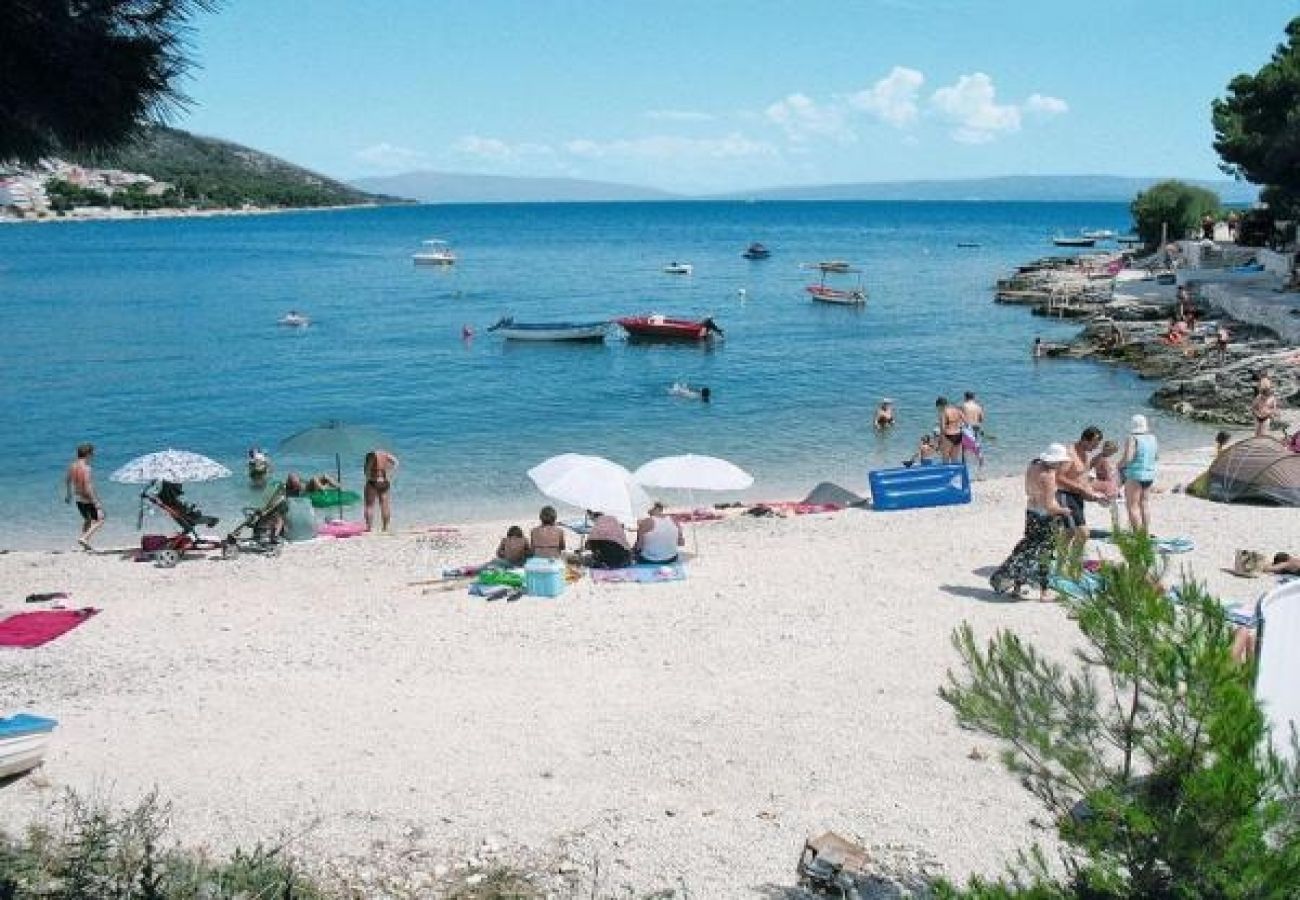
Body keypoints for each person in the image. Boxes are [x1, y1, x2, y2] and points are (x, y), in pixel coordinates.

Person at [988, 444, 1072, 601]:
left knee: (1027, 550)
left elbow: (1027, 490)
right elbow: (1050, 506)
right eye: (1060, 462)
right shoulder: (1048, 476)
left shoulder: (1033, 465)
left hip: (1031, 512)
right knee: (1044, 555)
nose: (1062, 465)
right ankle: (1044, 592)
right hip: (1045, 517)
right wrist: (1064, 511)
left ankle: (1017, 588)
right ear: (1055, 461)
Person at [1057, 426, 1104, 551]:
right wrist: (1080, 488)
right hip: (1065, 495)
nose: (1095, 448)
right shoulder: (1069, 453)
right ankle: (1073, 564)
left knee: (1069, 532)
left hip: (1078, 496)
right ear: (1084, 440)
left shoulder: (1086, 456)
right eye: (1094, 444)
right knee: (1083, 533)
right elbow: (1059, 477)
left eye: (1097, 445)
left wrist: (1094, 496)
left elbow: (1084, 480)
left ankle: (1063, 565)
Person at [1118, 414, 1158, 533]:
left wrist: (1118, 465)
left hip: (1135, 475)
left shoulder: (1132, 438)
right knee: (1144, 504)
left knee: (1132, 506)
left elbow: (1128, 458)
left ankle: (1138, 535)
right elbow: (1156, 456)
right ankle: (1145, 533)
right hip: (1149, 475)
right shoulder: (1153, 438)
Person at [64, 443, 104, 551]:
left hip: (78, 497)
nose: (93, 456)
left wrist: (68, 495)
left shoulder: (72, 466)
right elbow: (87, 485)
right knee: (100, 519)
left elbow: (67, 480)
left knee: (87, 520)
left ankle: (84, 543)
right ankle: (84, 538)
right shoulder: (86, 468)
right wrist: (96, 502)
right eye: (92, 453)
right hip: (86, 497)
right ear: (88, 454)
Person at [363, 448, 399, 532]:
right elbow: (396, 462)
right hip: (384, 481)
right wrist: (389, 472)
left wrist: (368, 477)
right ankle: (385, 528)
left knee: (369, 506)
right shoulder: (385, 454)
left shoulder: (371, 455)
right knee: (385, 506)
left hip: (373, 481)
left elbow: (367, 470)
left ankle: (369, 528)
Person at [935, 396, 965, 463]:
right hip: (958, 435)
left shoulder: (943, 413)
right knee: (954, 458)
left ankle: (946, 472)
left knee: (945, 458)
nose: (938, 410)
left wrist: (939, 441)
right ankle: (954, 473)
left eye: (938, 407)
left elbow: (942, 428)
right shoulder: (957, 410)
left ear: (940, 405)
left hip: (948, 436)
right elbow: (965, 422)